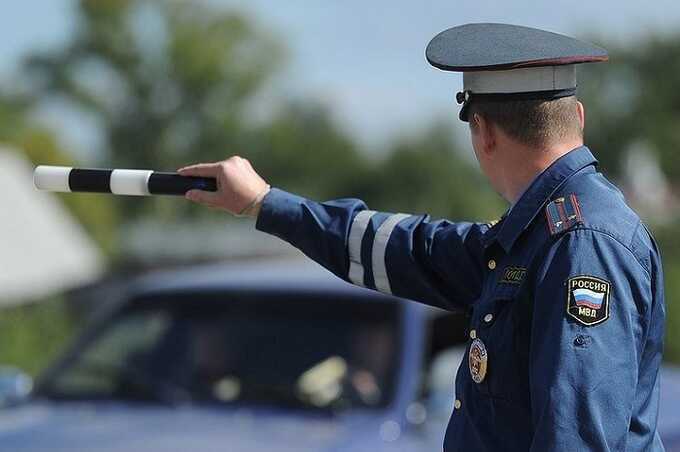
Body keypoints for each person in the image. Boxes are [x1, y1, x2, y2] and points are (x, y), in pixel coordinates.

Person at [179, 23, 665, 451]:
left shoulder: (580, 242)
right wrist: (264, 202)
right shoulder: (540, 232)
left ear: (482, 131)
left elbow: (575, 441)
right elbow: (413, 249)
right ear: (577, 116)